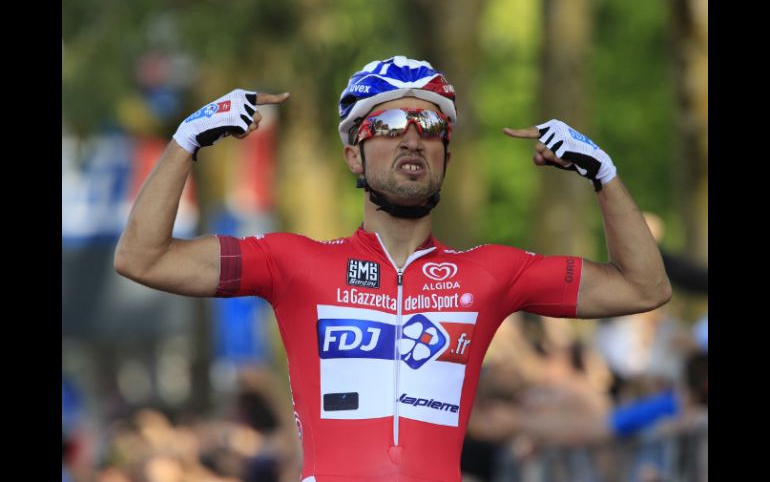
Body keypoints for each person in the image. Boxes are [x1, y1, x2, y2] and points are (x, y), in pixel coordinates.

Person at [115, 56, 671, 482]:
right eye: (390, 122)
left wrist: (604, 174)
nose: (413, 134)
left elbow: (644, 285)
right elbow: (142, 256)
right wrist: (187, 141)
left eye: (431, 124)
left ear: (447, 158)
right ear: (354, 155)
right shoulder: (294, 262)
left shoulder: (492, 272)